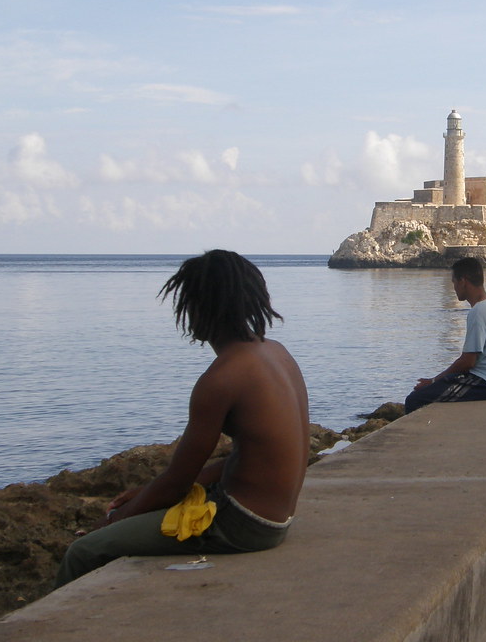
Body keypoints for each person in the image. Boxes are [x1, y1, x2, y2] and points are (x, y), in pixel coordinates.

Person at [55, 249, 309, 587]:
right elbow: (260, 455)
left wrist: (114, 523)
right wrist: (147, 491)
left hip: (244, 526)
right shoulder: (277, 353)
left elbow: (176, 481)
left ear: (199, 307)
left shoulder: (221, 379)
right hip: (278, 517)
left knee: (83, 552)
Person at [405, 257, 486, 414]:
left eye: (454, 281)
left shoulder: (479, 312)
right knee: (431, 390)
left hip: (485, 384)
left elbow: (468, 362)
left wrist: (434, 380)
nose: (453, 287)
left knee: (414, 399)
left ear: (463, 281)